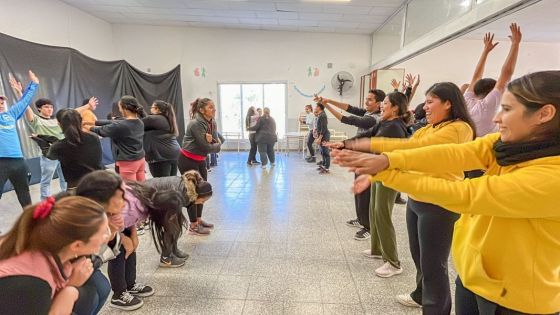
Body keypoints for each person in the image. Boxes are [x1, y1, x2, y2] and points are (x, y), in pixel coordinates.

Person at [336, 71, 560, 315]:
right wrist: (385, 159)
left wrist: (385, 169)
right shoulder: (507, 145)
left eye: (507, 109)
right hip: (474, 276)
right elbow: (449, 153)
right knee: (424, 261)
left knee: (433, 265)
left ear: (545, 113)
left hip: (515, 298)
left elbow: (466, 193)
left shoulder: (551, 177)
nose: (497, 118)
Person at [333, 82, 476, 314]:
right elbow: (405, 149)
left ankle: (435, 308)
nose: (425, 107)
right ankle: (421, 295)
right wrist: (370, 169)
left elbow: (414, 148)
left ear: (449, 103)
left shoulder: (458, 129)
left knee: (433, 265)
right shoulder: (429, 128)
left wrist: (362, 145)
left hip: (439, 203)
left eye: (430, 102)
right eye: (426, 102)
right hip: (417, 199)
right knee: (419, 256)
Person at [0, 196, 109, 315]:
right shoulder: (31, 285)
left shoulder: (41, 246)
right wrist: (68, 292)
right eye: (103, 233)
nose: (107, 236)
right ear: (77, 245)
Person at [314, 90, 381, 237]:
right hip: (360, 157)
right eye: (366, 99)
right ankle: (361, 219)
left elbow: (346, 119)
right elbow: (349, 108)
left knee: (365, 194)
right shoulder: (368, 113)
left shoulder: (373, 119)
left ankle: (369, 227)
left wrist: (327, 105)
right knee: (359, 191)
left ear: (379, 103)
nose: (366, 102)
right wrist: (328, 101)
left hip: (368, 159)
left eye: (370, 100)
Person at [145, 170, 213, 266]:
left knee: (177, 224)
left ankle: (173, 250)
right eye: (203, 201)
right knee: (171, 228)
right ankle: (166, 258)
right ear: (197, 195)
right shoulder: (182, 193)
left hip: (159, 196)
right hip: (146, 195)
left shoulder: (189, 188)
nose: (202, 203)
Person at [465, 23, 522, 136]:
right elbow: (506, 73)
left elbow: (476, 77)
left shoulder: (467, 100)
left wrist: (485, 51)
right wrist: (515, 44)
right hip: (484, 146)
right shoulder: (486, 106)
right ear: (491, 92)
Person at [178, 98, 220, 235]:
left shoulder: (212, 122)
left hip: (201, 160)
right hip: (188, 160)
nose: (214, 109)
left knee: (201, 191)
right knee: (192, 192)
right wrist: (215, 144)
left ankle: (199, 219)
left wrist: (213, 144)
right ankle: (193, 226)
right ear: (201, 110)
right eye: (210, 107)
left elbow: (213, 144)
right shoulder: (195, 124)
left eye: (214, 107)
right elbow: (206, 147)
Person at [0, 71, 39, 208]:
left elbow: (24, 102)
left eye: (2, 101)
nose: (0, 103)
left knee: (24, 195)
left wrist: (33, 85)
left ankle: (30, 225)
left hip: (18, 161)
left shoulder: (10, 115)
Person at [90, 96, 146, 181]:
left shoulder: (122, 125)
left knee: (130, 190)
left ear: (125, 108)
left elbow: (101, 131)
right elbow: (115, 121)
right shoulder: (139, 121)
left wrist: (88, 127)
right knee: (142, 186)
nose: (119, 110)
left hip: (128, 163)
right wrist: (95, 122)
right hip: (140, 160)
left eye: (120, 107)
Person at [46, 109, 104, 190]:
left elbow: (50, 156)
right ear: (81, 121)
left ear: (59, 124)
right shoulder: (93, 137)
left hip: (76, 189)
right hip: (99, 183)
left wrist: (46, 142)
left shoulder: (59, 146)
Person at [23, 96, 68, 199]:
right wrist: (20, 93)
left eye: (51, 107)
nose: (50, 109)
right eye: (46, 107)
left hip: (63, 154)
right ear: (39, 108)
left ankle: (66, 199)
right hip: (48, 156)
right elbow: (27, 108)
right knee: (46, 181)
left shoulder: (56, 121)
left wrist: (87, 106)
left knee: (65, 179)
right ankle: (45, 203)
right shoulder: (37, 120)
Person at [143, 100, 180, 177]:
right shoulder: (166, 118)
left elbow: (138, 122)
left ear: (157, 109)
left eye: (152, 107)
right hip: (173, 154)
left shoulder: (154, 119)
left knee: (162, 184)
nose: (150, 109)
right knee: (171, 183)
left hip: (161, 157)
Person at [314, 104, 330, 174]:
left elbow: (324, 128)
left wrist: (320, 138)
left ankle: (326, 168)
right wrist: (316, 129)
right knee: (322, 152)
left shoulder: (323, 115)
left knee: (325, 152)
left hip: (324, 136)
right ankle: (323, 165)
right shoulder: (320, 115)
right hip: (322, 136)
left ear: (319, 107)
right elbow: (320, 126)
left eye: (316, 106)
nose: (315, 108)